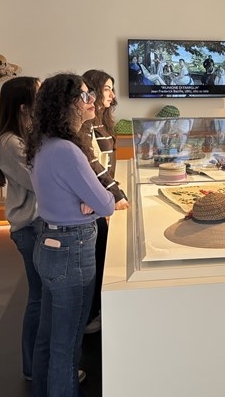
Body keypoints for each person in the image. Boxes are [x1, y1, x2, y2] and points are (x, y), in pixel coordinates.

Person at [25, 73, 116, 397]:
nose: (91, 100)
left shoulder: (43, 143)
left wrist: (86, 203)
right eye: (84, 95)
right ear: (67, 104)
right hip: (72, 250)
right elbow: (106, 203)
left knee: (48, 340)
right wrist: (90, 205)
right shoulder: (67, 150)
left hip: (49, 244)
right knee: (66, 347)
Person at [0, 76, 42, 381]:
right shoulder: (10, 143)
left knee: (41, 296)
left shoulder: (22, 137)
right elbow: (38, 180)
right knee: (38, 297)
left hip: (34, 224)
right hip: (30, 227)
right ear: (24, 106)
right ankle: (33, 366)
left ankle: (35, 365)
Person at [79, 70, 130, 334]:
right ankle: (92, 315)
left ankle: (98, 311)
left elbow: (104, 164)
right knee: (98, 257)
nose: (112, 95)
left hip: (101, 198)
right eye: (108, 89)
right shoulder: (87, 126)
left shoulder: (102, 122)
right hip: (95, 202)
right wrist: (115, 193)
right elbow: (92, 163)